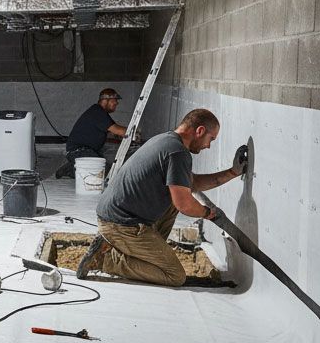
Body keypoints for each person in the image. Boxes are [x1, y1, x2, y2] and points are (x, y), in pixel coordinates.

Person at [76, 108, 247, 286]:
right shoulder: (178, 152)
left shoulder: (167, 140)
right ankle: (106, 260)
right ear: (200, 131)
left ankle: (135, 249)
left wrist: (233, 172)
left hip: (115, 216)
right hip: (121, 224)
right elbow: (184, 204)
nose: (208, 146)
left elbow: (192, 183)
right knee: (175, 276)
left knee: (177, 194)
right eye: (210, 139)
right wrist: (206, 212)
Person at [54, 88, 130, 179]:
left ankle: (74, 166)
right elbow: (119, 130)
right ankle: (69, 169)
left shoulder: (99, 112)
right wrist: (134, 132)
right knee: (102, 172)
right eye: (115, 100)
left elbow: (112, 131)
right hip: (79, 151)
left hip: (86, 151)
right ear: (105, 100)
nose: (117, 103)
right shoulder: (97, 112)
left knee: (105, 168)